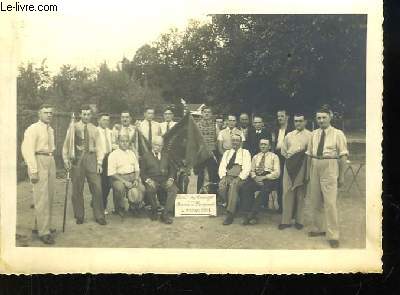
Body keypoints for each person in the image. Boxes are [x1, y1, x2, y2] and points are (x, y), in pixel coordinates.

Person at [306, 106, 348, 248]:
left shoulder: (338, 134)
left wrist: (341, 176)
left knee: (330, 203)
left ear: (330, 117)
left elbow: (343, 156)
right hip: (315, 164)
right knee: (315, 200)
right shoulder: (313, 134)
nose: (321, 120)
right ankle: (319, 228)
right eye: (318, 118)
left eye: (324, 117)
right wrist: (308, 173)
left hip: (329, 165)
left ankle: (333, 235)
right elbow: (309, 155)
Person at [62, 105, 106, 225]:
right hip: (77, 158)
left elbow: (100, 147)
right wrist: (66, 159)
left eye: (88, 114)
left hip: (91, 158)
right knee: (77, 188)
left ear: (91, 115)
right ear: (80, 115)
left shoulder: (94, 129)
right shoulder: (73, 127)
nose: (86, 116)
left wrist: (100, 162)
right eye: (84, 114)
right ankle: (79, 215)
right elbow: (67, 144)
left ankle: (99, 215)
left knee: (97, 187)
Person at [21, 104, 57, 244]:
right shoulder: (33, 129)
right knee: (41, 197)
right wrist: (34, 170)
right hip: (38, 159)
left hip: (50, 159)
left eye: (51, 113)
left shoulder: (51, 129)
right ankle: (44, 232)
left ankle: (41, 226)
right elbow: (27, 150)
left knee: (49, 195)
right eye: (45, 112)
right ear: (39, 114)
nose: (49, 115)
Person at [279, 114, 312, 230]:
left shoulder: (310, 136)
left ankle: (299, 221)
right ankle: (286, 220)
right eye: (296, 121)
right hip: (289, 167)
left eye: (300, 121)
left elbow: (310, 153)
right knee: (287, 193)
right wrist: (289, 156)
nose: (298, 123)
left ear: (305, 122)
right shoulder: (289, 135)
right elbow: (283, 150)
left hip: (303, 166)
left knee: (300, 193)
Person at [240, 139, 280, 225]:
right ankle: (248, 212)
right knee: (246, 187)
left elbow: (277, 173)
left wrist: (264, 177)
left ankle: (252, 214)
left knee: (264, 191)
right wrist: (255, 178)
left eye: (265, 144)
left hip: (269, 178)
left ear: (269, 146)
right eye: (261, 144)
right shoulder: (255, 157)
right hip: (257, 177)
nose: (263, 146)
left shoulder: (274, 156)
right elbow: (252, 170)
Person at [141, 136, 178, 224]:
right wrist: (148, 181)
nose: (158, 147)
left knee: (174, 190)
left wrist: (171, 179)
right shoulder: (145, 156)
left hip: (164, 180)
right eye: (156, 145)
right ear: (152, 145)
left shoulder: (166, 155)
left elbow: (172, 169)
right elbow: (142, 173)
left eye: (160, 145)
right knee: (150, 190)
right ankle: (154, 210)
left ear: (163, 146)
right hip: (152, 180)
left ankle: (165, 214)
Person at [218, 133, 251, 225]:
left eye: (237, 140)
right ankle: (230, 204)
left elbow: (247, 168)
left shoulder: (245, 152)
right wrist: (223, 177)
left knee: (233, 186)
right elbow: (222, 166)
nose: (235, 142)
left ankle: (230, 213)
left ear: (240, 142)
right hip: (228, 175)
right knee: (221, 186)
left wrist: (239, 178)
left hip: (240, 177)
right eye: (233, 140)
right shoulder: (227, 152)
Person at [108, 135, 145, 217]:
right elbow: (112, 173)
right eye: (122, 141)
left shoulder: (132, 153)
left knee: (142, 188)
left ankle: (134, 206)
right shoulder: (113, 154)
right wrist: (124, 182)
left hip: (132, 176)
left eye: (126, 141)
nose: (124, 143)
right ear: (118, 142)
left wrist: (136, 179)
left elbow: (137, 169)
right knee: (120, 188)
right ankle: (119, 208)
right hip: (119, 177)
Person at [272, 109, 292, 213]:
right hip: (278, 157)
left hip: (288, 158)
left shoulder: (291, 130)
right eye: (278, 116)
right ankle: (281, 206)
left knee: (288, 183)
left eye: (282, 116)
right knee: (279, 182)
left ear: (287, 117)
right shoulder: (276, 130)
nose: (280, 118)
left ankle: (290, 207)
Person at [196, 106, 219, 193]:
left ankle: (212, 195)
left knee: (212, 174)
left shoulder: (215, 125)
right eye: (205, 112)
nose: (206, 113)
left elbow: (217, 139)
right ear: (202, 113)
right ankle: (199, 193)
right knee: (201, 174)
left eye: (208, 112)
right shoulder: (197, 125)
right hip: (201, 153)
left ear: (211, 114)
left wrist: (212, 150)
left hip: (211, 153)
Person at [97, 113, 113, 214]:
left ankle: (101, 203)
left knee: (108, 184)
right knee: (101, 184)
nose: (106, 122)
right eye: (103, 120)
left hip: (110, 158)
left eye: (107, 120)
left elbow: (113, 143)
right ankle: (102, 206)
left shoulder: (110, 132)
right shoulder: (95, 131)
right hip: (100, 159)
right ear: (98, 120)